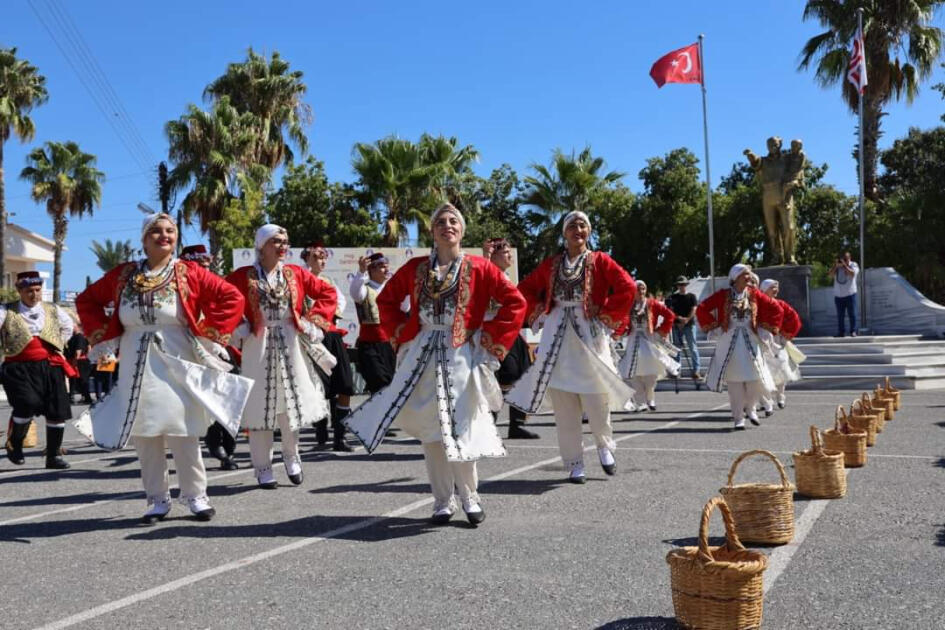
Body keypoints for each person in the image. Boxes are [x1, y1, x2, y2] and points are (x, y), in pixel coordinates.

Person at [344, 203, 526, 526]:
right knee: (432, 429)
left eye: (453, 220)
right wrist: (402, 332)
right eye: (440, 221)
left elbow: (516, 302)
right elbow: (385, 302)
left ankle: (469, 495)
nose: (447, 226)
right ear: (432, 231)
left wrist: (489, 338)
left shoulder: (480, 268)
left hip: (461, 353)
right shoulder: (416, 268)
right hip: (423, 351)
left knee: (461, 425)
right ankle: (442, 500)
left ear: (462, 230)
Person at [76, 214, 251, 523]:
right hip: (134, 357)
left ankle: (196, 496)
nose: (164, 236)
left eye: (170, 231)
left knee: (183, 428)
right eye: (155, 231)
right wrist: (102, 336)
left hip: (176, 356)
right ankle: (157, 499)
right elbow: (87, 299)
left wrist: (210, 334)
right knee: (145, 431)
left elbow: (231, 296)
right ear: (144, 239)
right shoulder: (123, 275)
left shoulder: (188, 272)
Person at [506, 211, 636, 484]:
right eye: (572, 226)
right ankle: (574, 462)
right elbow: (525, 289)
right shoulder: (552, 265)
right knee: (564, 403)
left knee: (596, 396)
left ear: (588, 232)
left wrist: (606, 313)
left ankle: (603, 444)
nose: (578, 229)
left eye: (583, 225)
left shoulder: (600, 260)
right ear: (564, 233)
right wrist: (539, 310)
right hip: (557, 335)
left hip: (588, 332)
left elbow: (627, 287)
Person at [226, 225, 337, 489]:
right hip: (258, 343)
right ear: (261, 245)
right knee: (259, 408)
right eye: (276, 241)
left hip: (289, 340)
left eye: (285, 241)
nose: (282, 245)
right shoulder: (243, 275)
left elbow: (327, 293)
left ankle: (291, 454)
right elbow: (221, 300)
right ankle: (263, 467)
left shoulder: (295, 273)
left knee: (291, 402)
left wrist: (312, 323)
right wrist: (237, 327)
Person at [2, 271, 77, 469]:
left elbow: (68, 326)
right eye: (29, 291)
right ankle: (14, 443)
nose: (34, 294)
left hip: (50, 365)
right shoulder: (6, 311)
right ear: (19, 291)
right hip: (18, 367)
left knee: (57, 410)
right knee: (27, 403)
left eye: (37, 290)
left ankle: (53, 456)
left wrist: (59, 343)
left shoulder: (52, 309)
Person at [696, 264, 783, 430]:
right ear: (735, 277)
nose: (749, 278)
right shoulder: (723, 295)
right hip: (729, 342)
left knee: (754, 379)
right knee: (735, 382)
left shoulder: (755, 294)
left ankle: (751, 410)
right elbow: (702, 308)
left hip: (750, 341)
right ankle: (738, 418)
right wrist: (714, 326)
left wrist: (766, 328)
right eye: (745, 275)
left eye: (749, 275)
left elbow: (776, 308)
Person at [181, 244, 239, 471]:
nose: (203, 269)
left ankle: (229, 444)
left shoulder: (219, 286)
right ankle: (216, 446)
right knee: (206, 401)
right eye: (198, 265)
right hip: (193, 350)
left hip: (221, 349)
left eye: (206, 265)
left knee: (230, 396)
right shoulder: (182, 289)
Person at [482, 237, 539, 439]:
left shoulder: (506, 277)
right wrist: (486, 257)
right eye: (503, 251)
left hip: (512, 335)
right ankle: (488, 427)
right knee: (496, 379)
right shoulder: (487, 274)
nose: (509, 254)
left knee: (523, 375)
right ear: (494, 254)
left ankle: (516, 424)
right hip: (493, 334)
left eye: (508, 250)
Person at [301, 242, 355, 452]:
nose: (320, 260)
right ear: (306, 258)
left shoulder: (329, 281)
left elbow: (339, 304)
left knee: (345, 384)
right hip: (311, 337)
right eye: (316, 256)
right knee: (319, 386)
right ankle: (321, 430)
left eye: (323, 257)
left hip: (331, 334)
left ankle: (340, 437)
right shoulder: (298, 280)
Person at [618, 280, 679, 411]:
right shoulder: (628, 305)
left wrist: (661, 331)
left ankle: (650, 399)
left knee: (651, 374)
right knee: (633, 374)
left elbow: (670, 315)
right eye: (638, 289)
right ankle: (640, 403)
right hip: (633, 340)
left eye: (643, 289)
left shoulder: (652, 304)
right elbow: (620, 318)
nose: (641, 292)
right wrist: (619, 331)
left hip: (648, 340)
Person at [350, 252, 400, 395]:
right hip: (370, 345)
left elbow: (406, 307)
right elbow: (354, 292)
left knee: (391, 384)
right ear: (372, 270)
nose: (386, 270)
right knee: (379, 384)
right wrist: (361, 271)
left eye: (387, 267)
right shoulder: (364, 289)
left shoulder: (392, 290)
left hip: (389, 346)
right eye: (382, 267)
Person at [758, 279, 803, 413]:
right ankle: (765, 400)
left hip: (777, 341)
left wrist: (787, 333)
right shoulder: (758, 305)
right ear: (764, 290)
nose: (776, 290)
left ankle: (780, 396)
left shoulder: (781, 304)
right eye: (772, 287)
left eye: (776, 287)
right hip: (762, 341)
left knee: (781, 369)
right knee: (763, 372)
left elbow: (794, 318)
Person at [665, 275, 702, 383]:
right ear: (677, 285)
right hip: (677, 325)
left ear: (686, 285)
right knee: (676, 349)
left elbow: (694, 308)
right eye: (680, 284)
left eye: (683, 284)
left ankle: (696, 370)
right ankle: (677, 371)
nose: (682, 286)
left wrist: (686, 319)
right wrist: (679, 319)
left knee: (693, 348)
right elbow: (670, 311)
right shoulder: (673, 297)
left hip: (689, 325)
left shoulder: (691, 296)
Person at [829, 251, 859, 337]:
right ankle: (841, 332)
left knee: (852, 314)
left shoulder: (853, 264)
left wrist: (845, 266)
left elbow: (852, 274)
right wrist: (835, 266)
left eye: (845, 259)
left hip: (850, 294)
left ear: (849, 258)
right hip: (838, 295)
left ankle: (853, 331)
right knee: (840, 315)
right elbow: (830, 275)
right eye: (842, 259)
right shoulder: (837, 266)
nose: (843, 261)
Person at [65, 324, 94, 405]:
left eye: (72, 326)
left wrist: (75, 360)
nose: (70, 328)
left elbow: (79, 349)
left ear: (76, 327)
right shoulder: (75, 337)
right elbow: (88, 346)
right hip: (78, 360)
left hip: (79, 361)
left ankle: (86, 398)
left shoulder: (79, 337)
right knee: (76, 380)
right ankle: (83, 397)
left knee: (81, 380)